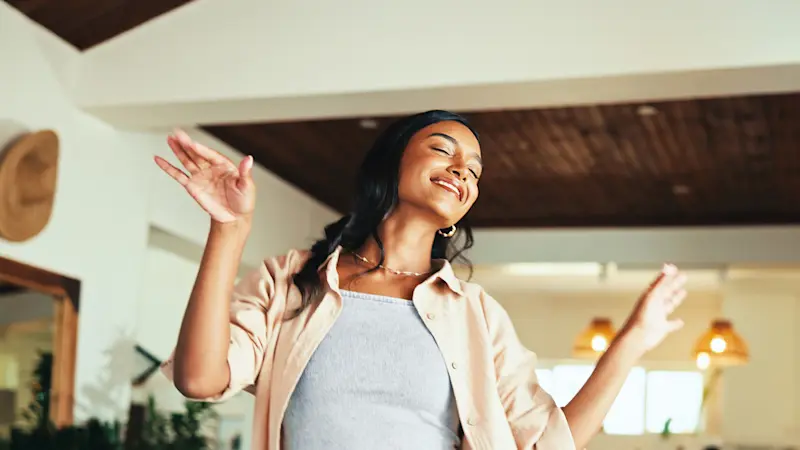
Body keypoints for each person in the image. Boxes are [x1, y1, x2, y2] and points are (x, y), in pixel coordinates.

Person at [155, 110, 688, 450]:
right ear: (391, 163)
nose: (462, 170)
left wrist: (634, 339)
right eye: (443, 149)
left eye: (474, 169)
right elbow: (200, 379)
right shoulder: (293, 280)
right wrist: (229, 230)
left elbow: (549, 442)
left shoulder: (475, 314)